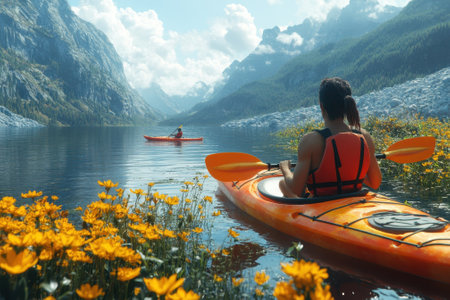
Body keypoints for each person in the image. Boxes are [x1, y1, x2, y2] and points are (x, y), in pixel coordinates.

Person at [279, 77, 382, 198]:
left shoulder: (311, 141)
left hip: (320, 204)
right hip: (353, 199)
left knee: (282, 183)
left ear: (322, 107)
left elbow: (296, 189)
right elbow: (375, 183)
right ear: (347, 105)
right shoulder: (364, 136)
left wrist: (285, 169)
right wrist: (348, 172)